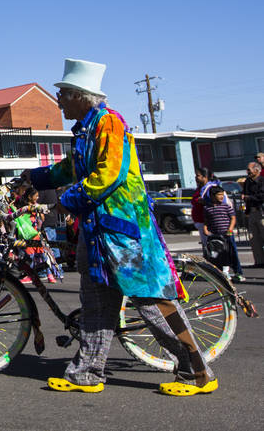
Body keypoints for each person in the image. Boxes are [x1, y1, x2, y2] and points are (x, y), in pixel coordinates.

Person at [24, 58, 215, 396]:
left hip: (123, 231)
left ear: (82, 96)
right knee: (96, 302)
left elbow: (107, 175)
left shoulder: (109, 124)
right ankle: (86, 372)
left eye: (64, 94)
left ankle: (197, 371)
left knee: (152, 303)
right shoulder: (86, 128)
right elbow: (72, 166)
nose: (60, 101)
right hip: (98, 232)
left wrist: (67, 201)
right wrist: (33, 178)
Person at [202, 186, 241, 281]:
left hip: (226, 234)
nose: (221, 197)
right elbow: (206, 220)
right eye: (219, 195)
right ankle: (220, 273)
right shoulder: (207, 208)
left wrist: (230, 229)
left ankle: (238, 272)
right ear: (212, 196)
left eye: (222, 195)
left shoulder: (226, 206)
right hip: (215, 235)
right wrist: (205, 229)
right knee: (216, 254)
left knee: (231, 253)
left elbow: (233, 218)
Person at [191, 168, 222, 258]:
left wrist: (204, 201)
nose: (196, 178)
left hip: (207, 222)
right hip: (200, 221)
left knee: (212, 245)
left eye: (198, 176)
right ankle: (210, 260)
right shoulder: (200, 188)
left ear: (205, 177)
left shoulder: (211, 188)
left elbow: (215, 203)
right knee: (206, 245)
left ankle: (216, 262)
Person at [241, 161, 264, 267]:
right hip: (252, 212)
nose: (248, 172)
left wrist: (249, 197)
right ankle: (259, 261)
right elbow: (245, 195)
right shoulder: (247, 182)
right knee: (253, 238)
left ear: (257, 170)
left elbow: (261, 197)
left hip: (261, 211)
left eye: (249, 170)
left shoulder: (262, 181)